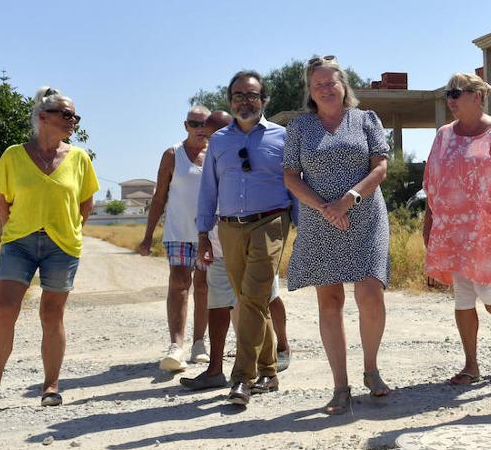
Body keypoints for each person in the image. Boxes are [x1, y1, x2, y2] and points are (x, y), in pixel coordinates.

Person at [0, 87, 98, 409]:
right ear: (43, 116)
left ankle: (51, 386)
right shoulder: (12, 156)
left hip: (62, 245)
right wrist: (14, 232)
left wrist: (71, 230)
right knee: (6, 310)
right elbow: (4, 203)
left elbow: (86, 203)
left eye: (75, 116)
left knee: (52, 314)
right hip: (19, 243)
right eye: (67, 115)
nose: (73, 121)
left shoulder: (79, 158)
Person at [283, 55, 391, 415]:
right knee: (329, 302)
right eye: (318, 84)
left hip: (366, 217)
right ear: (310, 91)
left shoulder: (366, 120)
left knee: (370, 294)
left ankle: (371, 369)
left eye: (331, 82)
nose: (326, 89)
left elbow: (380, 166)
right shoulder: (299, 127)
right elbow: (290, 176)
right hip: (320, 221)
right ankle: (340, 387)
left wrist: (348, 200)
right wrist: (324, 208)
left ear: (344, 86)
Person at [196, 71, 296, 407]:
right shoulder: (219, 141)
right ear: (230, 101)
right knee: (251, 301)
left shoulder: (283, 137)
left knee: (251, 298)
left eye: (252, 95)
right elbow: (208, 190)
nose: (244, 101)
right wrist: (203, 234)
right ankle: (269, 371)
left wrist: (300, 228)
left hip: (271, 222)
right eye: (238, 95)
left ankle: (242, 378)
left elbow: (294, 184)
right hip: (228, 227)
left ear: (264, 100)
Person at [422, 72, 491, 385]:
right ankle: (471, 366)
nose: (450, 99)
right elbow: (432, 181)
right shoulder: (444, 135)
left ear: (477, 96)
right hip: (452, 227)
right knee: (462, 294)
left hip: (489, 226)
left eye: (456, 93)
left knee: (486, 289)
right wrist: (429, 222)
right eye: (448, 94)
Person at [137, 105, 213, 371]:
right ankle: (176, 345)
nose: (200, 129)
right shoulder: (172, 154)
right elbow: (159, 197)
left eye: (204, 123)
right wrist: (148, 236)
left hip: (209, 233)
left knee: (203, 286)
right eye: (194, 123)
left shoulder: (216, 153)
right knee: (179, 284)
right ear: (185, 126)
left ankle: (200, 343)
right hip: (178, 231)